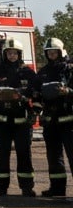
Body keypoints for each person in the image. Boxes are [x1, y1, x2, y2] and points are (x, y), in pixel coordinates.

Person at [0, 38, 37, 197]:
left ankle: (27, 187)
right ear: (4, 54)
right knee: (1, 155)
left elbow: (35, 93)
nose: (12, 55)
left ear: (19, 54)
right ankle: (0, 188)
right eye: (9, 53)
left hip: (22, 120)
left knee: (24, 154)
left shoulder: (27, 72)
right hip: (1, 121)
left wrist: (23, 97)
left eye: (15, 53)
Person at [31, 37, 73, 198]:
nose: (52, 55)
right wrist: (35, 107)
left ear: (61, 52)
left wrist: (68, 92)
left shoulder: (69, 69)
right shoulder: (43, 72)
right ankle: (57, 188)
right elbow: (36, 93)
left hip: (68, 120)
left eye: (54, 52)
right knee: (54, 157)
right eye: (49, 52)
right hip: (50, 120)